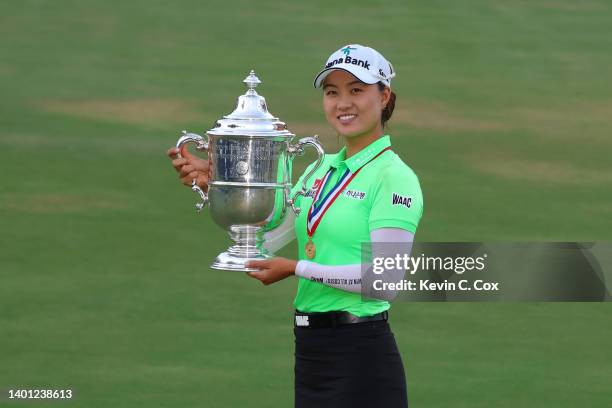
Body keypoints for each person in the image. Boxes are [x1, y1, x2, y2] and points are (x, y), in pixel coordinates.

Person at [167, 44, 423, 408]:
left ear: (384, 97)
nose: (342, 103)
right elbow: (266, 239)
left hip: (362, 357)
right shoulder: (320, 169)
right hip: (311, 354)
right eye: (332, 92)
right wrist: (226, 188)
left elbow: (386, 281)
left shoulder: (394, 177)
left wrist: (298, 268)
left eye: (356, 90)